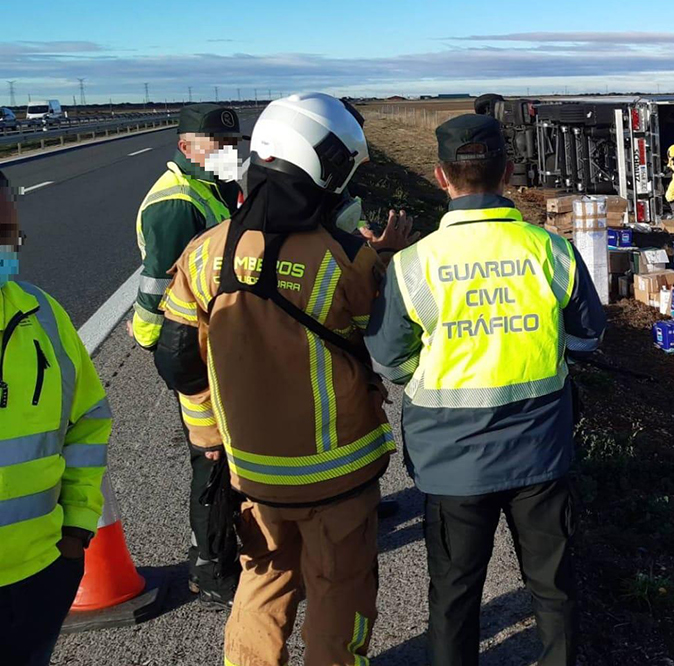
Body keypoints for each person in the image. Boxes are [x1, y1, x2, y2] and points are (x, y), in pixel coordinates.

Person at [153, 93, 412, 666]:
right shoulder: (346, 257)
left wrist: (209, 442)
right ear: (321, 167)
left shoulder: (203, 254)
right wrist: (386, 259)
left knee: (263, 585)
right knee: (339, 593)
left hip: (252, 476)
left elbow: (176, 361)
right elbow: (388, 339)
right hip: (340, 473)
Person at [366, 114, 606, 666]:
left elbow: (388, 357)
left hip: (451, 464)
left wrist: (426, 378)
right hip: (542, 455)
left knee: (454, 596)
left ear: (440, 177)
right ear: (509, 171)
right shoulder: (552, 252)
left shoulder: (413, 265)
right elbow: (589, 338)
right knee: (554, 588)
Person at [131, 102, 243, 604]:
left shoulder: (214, 188)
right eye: (213, 144)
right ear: (185, 147)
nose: (224, 152)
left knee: (231, 450)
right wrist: (164, 354)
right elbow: (157, 289)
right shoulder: (177, 203)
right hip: (192, 351)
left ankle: (231, 543)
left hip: (218, 342)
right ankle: (211, 565)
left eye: (231, 143)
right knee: (212, 457)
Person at [0, 169, 113, 665]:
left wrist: (78, 533)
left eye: (7, 235)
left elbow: (88, 421)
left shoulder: (42, 314)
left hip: (40, 579)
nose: (6, 250)